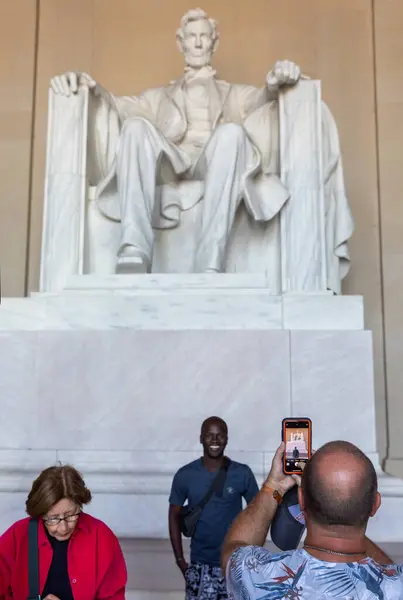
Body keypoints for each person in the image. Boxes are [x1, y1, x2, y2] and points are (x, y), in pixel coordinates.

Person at [49, 9, 354, 288]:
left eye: (204, 36)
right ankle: (134, 248)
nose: (197, 43)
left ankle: (211, 262)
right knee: (135, 127)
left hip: (215, 159)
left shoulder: (234, 94)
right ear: (180, 42)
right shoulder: (157, 98)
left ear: (214, 43)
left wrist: (279, 81)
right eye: (191, 37)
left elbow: (264, 100)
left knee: (232, 133)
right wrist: (88, 86)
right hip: (172, 163)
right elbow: (116, 105)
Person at [222, 440, 403, 599]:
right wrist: (349, 514)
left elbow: (235, 546)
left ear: (301, 501)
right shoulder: (395, 588)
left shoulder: (258, 577)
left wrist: (273, 486)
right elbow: (388, 573)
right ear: (375, 504)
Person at [0, 464, 127, 600]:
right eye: (53, 518)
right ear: (40, 514)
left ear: (80, 504)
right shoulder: (17, 536)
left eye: (70, 515)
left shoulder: (101, 537)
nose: (63, 528)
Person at [169, 416, 259, 599]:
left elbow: (258, 513)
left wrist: (251, 556)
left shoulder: (242, 473)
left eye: (220, 435)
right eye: (210, 435)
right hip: (199, 565)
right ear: (201, 438)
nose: (215, 441)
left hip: (233, 564)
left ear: (227, 438)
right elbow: (173, 516)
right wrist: (180, 560)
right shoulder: (185, 475)